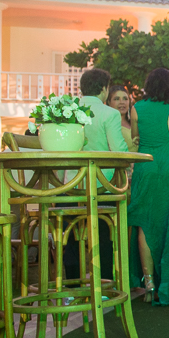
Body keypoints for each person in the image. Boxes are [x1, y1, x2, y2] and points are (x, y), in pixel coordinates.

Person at [128, 68, 169, 305]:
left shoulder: (137, 108)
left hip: (147, 169)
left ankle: (149, 283)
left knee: (145, 223)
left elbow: (136, 138)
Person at [62, 68, 128, 281]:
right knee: (103, 234)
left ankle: (72, 284)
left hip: (71, 185)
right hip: (101, 185)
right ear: (104, 88)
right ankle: (104, 283)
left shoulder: (67, 110)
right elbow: (119, 151)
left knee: (71, 235)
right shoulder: (109, 114)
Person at [107, 85, 138, 152]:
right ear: (109, 102)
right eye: (117, 99)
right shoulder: (108, 125)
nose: (122, 102)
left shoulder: (134, 122)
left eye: (125, 99)